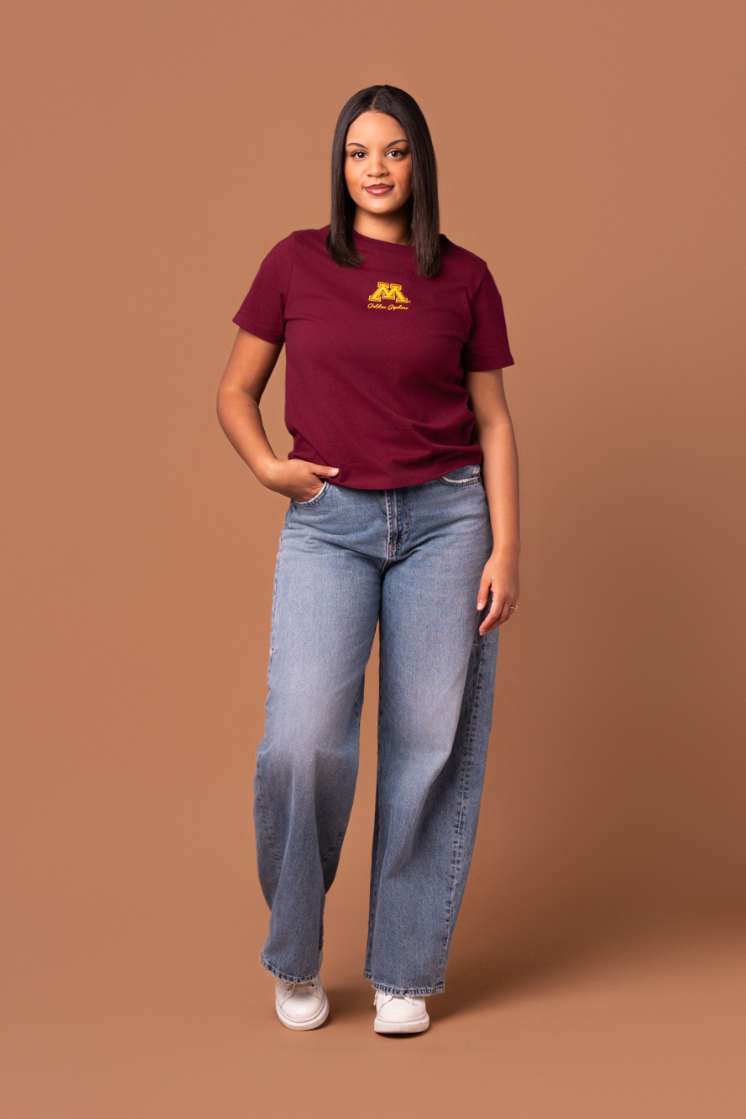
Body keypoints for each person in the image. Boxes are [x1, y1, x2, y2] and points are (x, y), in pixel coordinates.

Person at [216, 84, 520, 1036]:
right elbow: (236, 389)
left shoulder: (465, 276)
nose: (376, 168)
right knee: (302, 741)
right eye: (358, 152)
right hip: (331, 521)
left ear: (419, 162)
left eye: (393, 151)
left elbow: (495, 422)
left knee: (428, 751)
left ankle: (402, 969)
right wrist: (272, 468)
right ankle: (296, 954)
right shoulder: (296, 262)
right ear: (339, 164)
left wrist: (508, 544)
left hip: (447, 522)